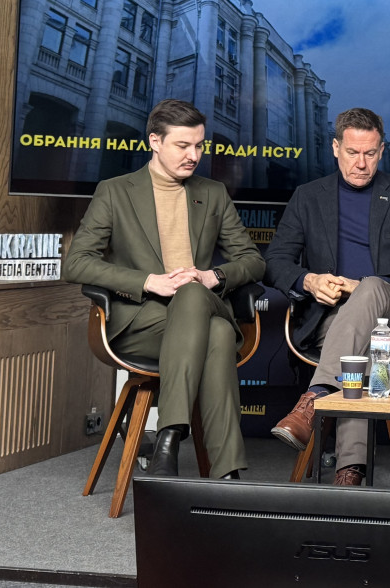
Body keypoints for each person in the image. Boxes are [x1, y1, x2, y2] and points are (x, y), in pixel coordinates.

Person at [64, 98, 266, 479]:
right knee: (220, 334)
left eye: (200, 145)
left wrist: (213, 277)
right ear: (154, 141)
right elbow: (76, 262)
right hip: (143, 323)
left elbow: (254, 261)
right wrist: (147, 281)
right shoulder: (115, 191)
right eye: (183, 145)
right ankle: (227, 476)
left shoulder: (213, 193)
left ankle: (168, 438)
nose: (194, 155)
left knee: (193, 292)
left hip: (201, 304)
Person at [265, 107, 390, 487]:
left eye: (370, 154)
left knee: (372, 288)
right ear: (335, 148)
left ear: (381, 151)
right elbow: (275, 260)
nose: (361, 163)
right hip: (331, 319)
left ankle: (313, 399)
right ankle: (350, 473)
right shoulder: (308, 196)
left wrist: (366, 284)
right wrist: (309, 280)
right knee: (361, 356)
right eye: (352, 153)